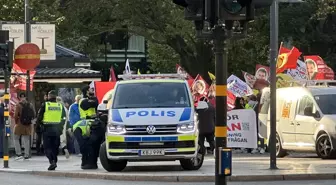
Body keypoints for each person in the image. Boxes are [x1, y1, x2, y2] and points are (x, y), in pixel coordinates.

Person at [36, 90, 66, 171]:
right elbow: (63, 118)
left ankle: (52, 161)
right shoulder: (60, 106)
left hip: (47, 129)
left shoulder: (45, 105)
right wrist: (60, 127)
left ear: (49, 96)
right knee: (55, 147)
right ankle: (54, 161)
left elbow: (39, 117)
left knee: (47, 147)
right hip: (57, 130)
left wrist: (37, 127)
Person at [75, 85, 99, 169]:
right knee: (85, 145)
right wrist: (93, 99)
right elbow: (90, 105)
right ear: (87, 91)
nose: (92, 90)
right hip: (85, 124)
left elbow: (96, 103)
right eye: (90, 89)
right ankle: (85, 162)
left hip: (93, 123)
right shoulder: (83, 100)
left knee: (94, 145)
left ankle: (93, 163)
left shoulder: (93, 99)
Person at [14, 93, 35, 160]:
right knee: (26, 140)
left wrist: (16, 122)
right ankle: (26, 154)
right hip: (28, 125)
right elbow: (34, 114)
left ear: (20, 98)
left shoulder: (18, 105)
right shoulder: (30, 105)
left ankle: (19, 153)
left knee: (16, 138)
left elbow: (15, 115)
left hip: (20, 124)